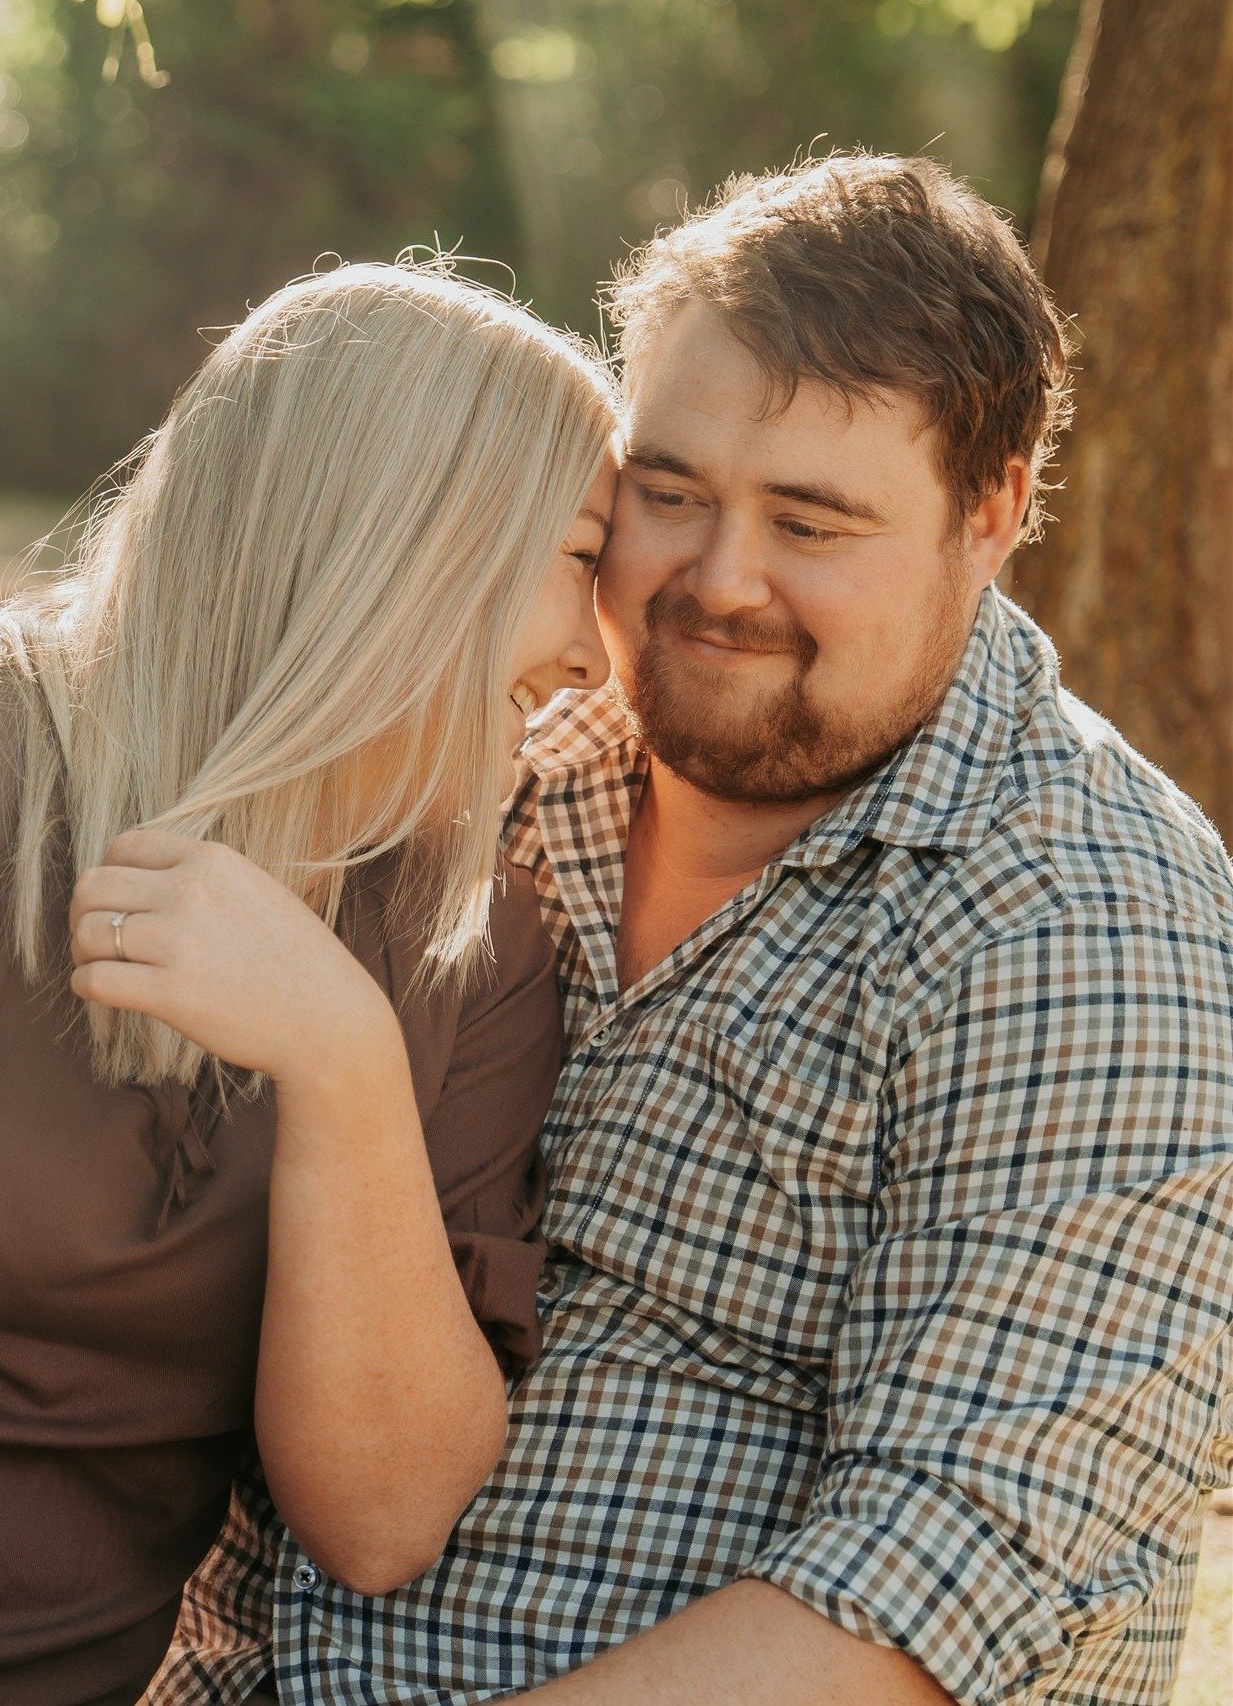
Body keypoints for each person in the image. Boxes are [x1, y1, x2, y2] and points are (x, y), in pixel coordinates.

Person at [153, 155, 1233, 1706]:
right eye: (666, 493)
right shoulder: (496, 748)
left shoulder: (1082, 925)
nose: (716, 581)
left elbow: (917, 1599)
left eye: (811, 523)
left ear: (989, 515)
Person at [0, 261, 620, 1704]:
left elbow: (385, 1519)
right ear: (409, 541)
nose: (597, 652)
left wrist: (341, 1062)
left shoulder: (472, 948)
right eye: (580, 557)